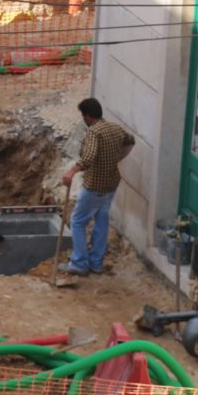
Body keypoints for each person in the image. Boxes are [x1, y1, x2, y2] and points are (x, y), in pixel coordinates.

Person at [60, 98, 136, 276]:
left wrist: (71, 172)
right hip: (111, 183)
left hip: (95, 185)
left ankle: (79, 263)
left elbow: (88, 157)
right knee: (101, 220)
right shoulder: (114, 128)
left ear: (87, 116)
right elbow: (130, 141)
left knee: (78, 221)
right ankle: (96, 263)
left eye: (83, 116)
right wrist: (117, 159)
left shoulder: (94, 133)